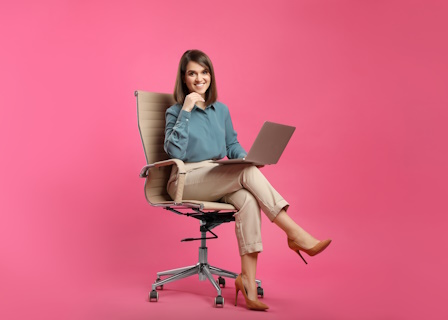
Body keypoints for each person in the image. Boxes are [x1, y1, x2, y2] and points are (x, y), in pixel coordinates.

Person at [164, 49, 331, 311]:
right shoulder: (175, 111)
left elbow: (232, 145)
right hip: (186, 178)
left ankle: (248, 284)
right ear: (183, 79)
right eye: (192, 73)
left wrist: (246, 158)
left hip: (217, 178)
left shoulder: (221, 110)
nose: (199, 78)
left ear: (211, 75)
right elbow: (174, 152)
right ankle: (295, 233)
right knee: (245, 175)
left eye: (204, 72)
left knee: (249, 199)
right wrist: (186, 110)